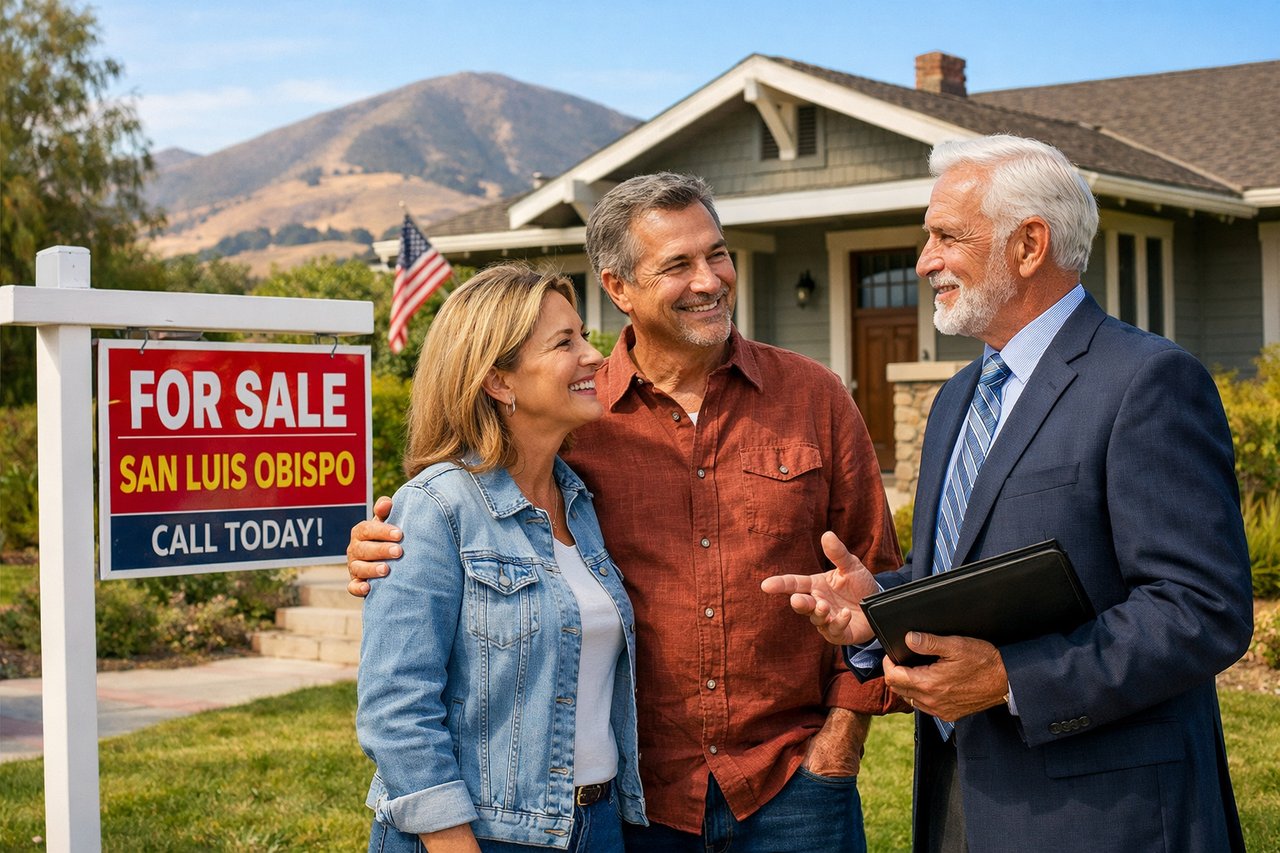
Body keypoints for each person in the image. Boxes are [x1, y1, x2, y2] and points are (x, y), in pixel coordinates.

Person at [349, 173, 905, 852]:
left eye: (717, 253)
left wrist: (839, 743)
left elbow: (878, 575)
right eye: (677, 264)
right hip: (640, 806)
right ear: (618, 287)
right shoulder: (575, 422)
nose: (710, 279)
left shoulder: (814, 397)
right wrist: (388, 543)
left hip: (793, 788)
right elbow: (472, 520)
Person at [762, 135, 1253, 852]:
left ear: (1029, 245)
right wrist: (879, 606)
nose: (924, 260)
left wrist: (1011, 679)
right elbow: (978, 575)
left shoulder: (1147, 382)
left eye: (946, 236)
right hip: (963, 799)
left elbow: (1202, 609)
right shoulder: (957, 399)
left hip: (1105, 814)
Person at [356, 264, 646, 853]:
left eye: (583, 335)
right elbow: (396, 707)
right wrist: (453, 842)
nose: (594, 357)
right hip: (479, 835)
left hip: (596, 825)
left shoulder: (581, 502)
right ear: (498, 381)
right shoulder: (437, 507)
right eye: (565, 343)